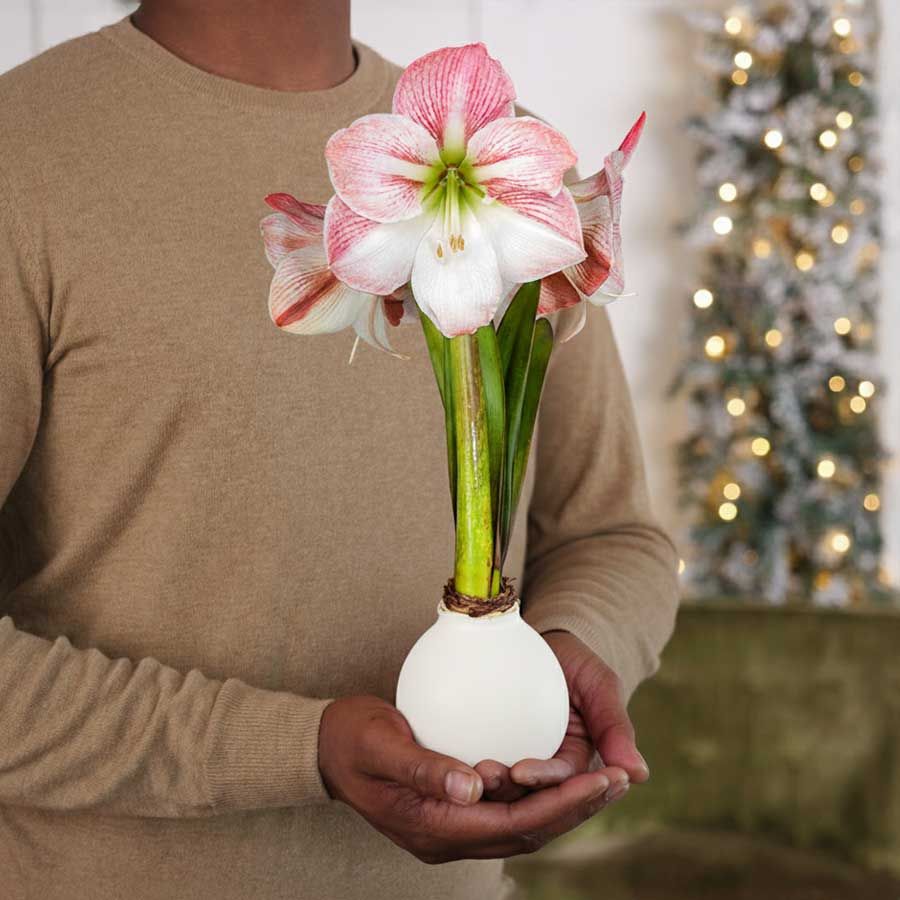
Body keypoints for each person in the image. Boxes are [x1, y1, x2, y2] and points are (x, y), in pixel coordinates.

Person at [0, 2, 679, 898]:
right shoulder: (25, 155)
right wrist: (300, 751)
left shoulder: (506, 151)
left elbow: (614, 538)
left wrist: (565, 655)